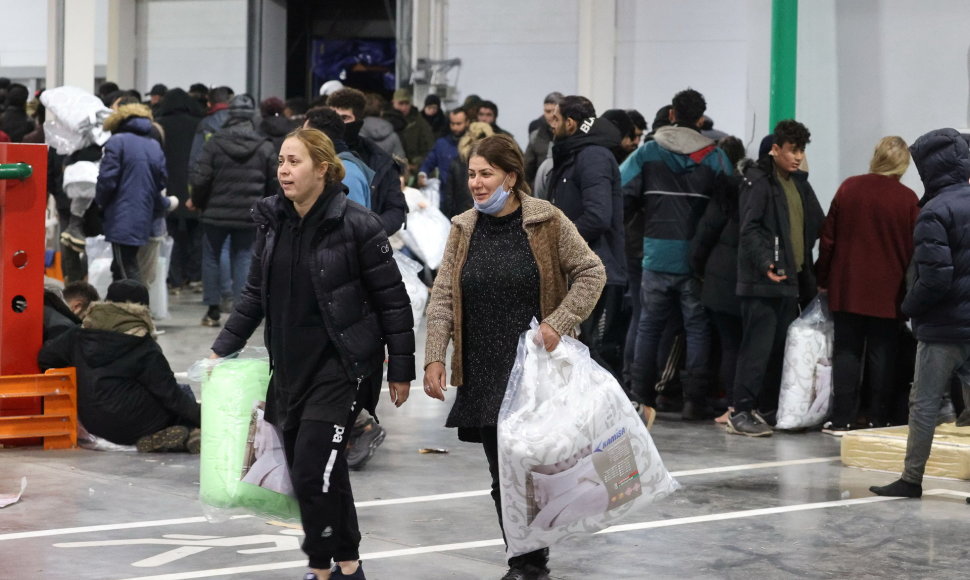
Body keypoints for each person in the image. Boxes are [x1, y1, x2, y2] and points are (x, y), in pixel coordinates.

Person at [209, 127, 415, 579]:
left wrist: (401, 368)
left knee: (309, 475)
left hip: (341, 369)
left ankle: (321, 570)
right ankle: (349, 565)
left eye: (295, 161)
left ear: (323, 169)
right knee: (327, 472)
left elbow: (393, 302)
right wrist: (221, 350)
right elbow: (253, 296)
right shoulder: (272, 223)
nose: (284, 170)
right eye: (281, 160)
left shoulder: (359, 225)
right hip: (290, 371)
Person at [423, 134, 606, 580]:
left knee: (530, 469)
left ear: (510, 175)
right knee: (500, 473)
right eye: (471, 174)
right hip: (483, 370)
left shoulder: (547, 220)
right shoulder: (464, 227)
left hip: (534, 372)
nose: (477, 183)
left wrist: (556, 324)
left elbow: (591, 272)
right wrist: (434, 355)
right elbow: (445, 294)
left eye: (486, 173)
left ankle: (530, 559)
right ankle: (525, 561)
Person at [620, 88, 732, 422]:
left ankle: (641, 397)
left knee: (649, 327)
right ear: (700, 119)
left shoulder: (649, 152)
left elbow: (622, 189)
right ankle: (694, 402)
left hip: (655, 254)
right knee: (696, 328)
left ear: (671, 114)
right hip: (696, 261)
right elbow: (730, 202)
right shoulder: (715, 157)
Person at [869, 129, 970, 499]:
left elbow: (936, 277)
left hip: (942, 330)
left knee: (924, 404)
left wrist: (908, 306)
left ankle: (911, 479)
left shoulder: (934, 212)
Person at [815, 136, 919, 434]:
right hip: (889, 291)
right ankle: (878, 418)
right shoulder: (909, 200)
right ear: (903, 163)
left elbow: (828, 240)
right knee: (882, 354)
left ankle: (842, 418)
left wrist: (823, 279)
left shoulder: (849, 187)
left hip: (847, 287)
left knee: (846, 351)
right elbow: (915, 251)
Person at [729, 119, 825, 437]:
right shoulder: (759, 182)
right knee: (756, 349)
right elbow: (751, 228)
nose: (797, 157)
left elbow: (816, 223)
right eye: (792, 150)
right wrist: (766, 261)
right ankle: (740, 410)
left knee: (777, 350)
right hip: (763, 280)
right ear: (775, 150)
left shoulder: (798, 184)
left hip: (790, 280)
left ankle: (766, 407)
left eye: (801, 151)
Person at [38, 279, 201, 452]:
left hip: (93, 422)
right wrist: (207, 419)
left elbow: (45, 358)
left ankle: (174, 436)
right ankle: (187, 434)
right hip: (136, 423)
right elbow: (171, 395)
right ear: (144, 309)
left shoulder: (77, 334)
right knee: (183, 394)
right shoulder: (143, 345)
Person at [546, 96, 627, 388]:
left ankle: (630, 411)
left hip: (600, 272)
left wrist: (555, 243)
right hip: (579, 269)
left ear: (570, 123)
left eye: (556, 120)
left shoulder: (592, 156)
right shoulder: (572, 155)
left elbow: (598, 216)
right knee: (582, 348)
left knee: (595, 350)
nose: (551, 126)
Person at [188, 94, 278, 327]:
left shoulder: (214, 143)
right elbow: (273, 182)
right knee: (244, 257)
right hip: (249, 214)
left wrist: (197, 201)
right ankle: (241, 312)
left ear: (230, 115)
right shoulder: (264, 146)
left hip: (214, 213)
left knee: (211, 258)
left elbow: (201, 178)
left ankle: (212, 311)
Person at [691, 136, 748, 424]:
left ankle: (727, 403)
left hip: (718, 279)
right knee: (740, 345)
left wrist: (696, 267)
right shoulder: (755, 190)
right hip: (745, 281)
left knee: (727, 345)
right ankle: (738, 404)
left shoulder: (723, 191)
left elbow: (705, 234)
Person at [95, 103, 168, 284]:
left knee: (125, 267)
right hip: (144, 213)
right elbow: (161, 181)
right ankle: (119, 306)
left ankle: (137, 307)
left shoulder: (117, 142)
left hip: (121, 213)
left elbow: (107, 180)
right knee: (122, 264)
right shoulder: (153, 145)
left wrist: (100, 203)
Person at [327, 87, 407, 235]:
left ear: (358, 120)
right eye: (333, 117)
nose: (338, 124)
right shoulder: (314, 155)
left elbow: (395, 208)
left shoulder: (381, 161)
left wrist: (368, 232)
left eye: (344, 118)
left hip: (366, 246)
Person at [155, 88, 205, 293]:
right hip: (194, 185)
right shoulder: (198, 124)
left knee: (170, 235)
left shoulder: (160, 126)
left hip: (169, 186)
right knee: (196, 234)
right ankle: (194, 276)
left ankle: (174, 279)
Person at [304, 106, 372, 208]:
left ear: (319, 138)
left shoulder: (346, 173)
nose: (300, 140)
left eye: (305, 135)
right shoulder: (339, 167)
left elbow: (353, 221)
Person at [439, 121, 494, 218]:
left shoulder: (456, 162)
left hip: (463, 216)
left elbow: (448, 197)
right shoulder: (496, 162)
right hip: (491, 216)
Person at [417, 107, 469, 192]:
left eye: (459, 124)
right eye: (452, 124)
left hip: (467, 193)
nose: (455, 127)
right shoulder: (442, 143)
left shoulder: (474, 144)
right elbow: (429, 161)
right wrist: (422, 173)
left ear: (467, 123)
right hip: (445, 193)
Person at [390, 88, 434, 175]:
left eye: (407, 103)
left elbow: (430, 148)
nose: (404, 107)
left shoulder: (419, 122)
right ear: (393, 103)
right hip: (391, 170)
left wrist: (416, 164)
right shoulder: (386, 121)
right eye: (400, 103)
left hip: (414, 171)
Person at [524, 92, 563, 186]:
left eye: (554, 111)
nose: (550, 115)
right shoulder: (536, 136)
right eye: (547, 111)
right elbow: (527, 170)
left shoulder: (571, 134)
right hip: (541, 189)